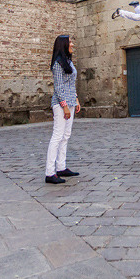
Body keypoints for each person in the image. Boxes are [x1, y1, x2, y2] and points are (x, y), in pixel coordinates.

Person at [45, 34, 81, 184]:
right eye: (70, 42)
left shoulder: (68, 62)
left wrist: (76, 100)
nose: (73, 44)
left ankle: (61, 167)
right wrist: (65, 106)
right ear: (63, 45)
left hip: (71, 102)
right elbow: (59, 87)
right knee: (57, 135)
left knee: (66, 135)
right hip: (61, 104)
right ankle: (50, 172)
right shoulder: (58, 64)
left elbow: (70, 84)